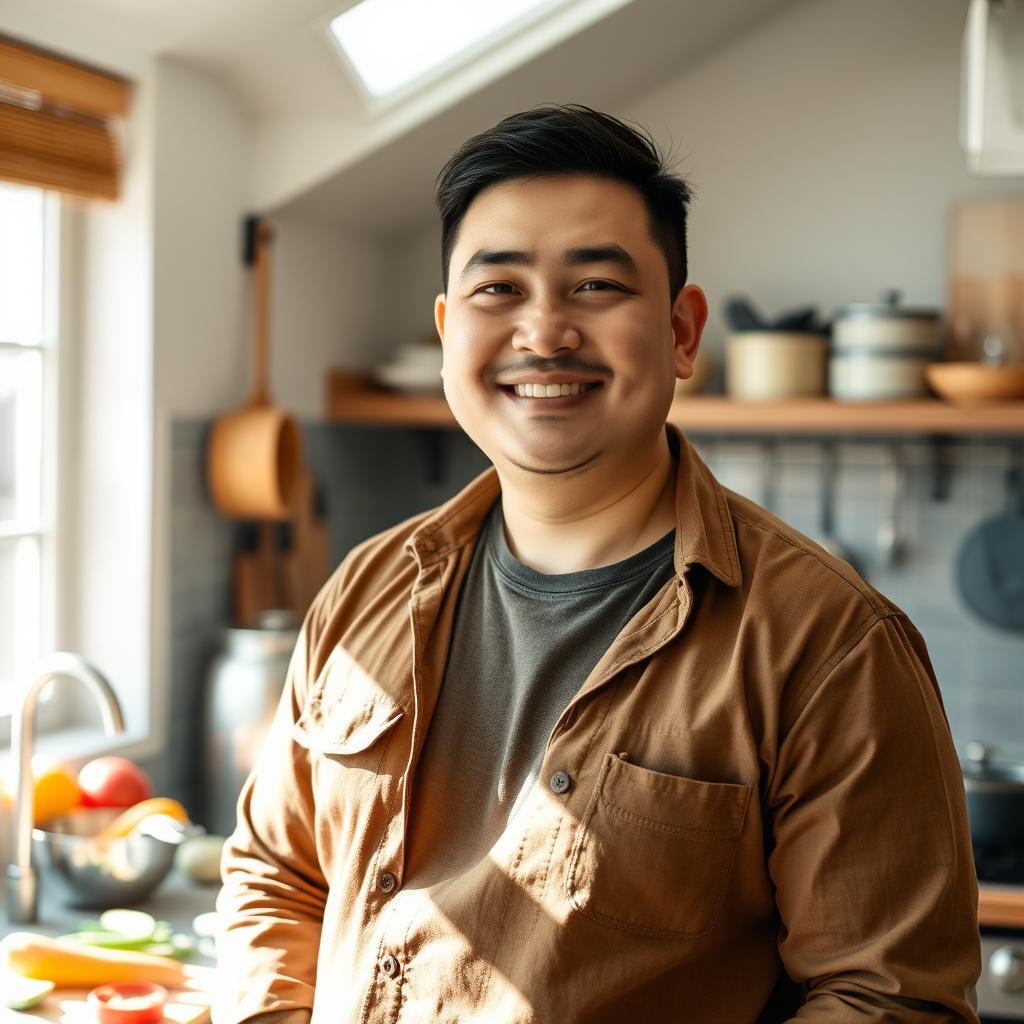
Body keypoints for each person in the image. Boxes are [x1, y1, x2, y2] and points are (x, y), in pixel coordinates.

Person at [215, 104, 981, 1023]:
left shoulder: (829, 646)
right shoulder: (365, 588)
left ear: (682, 332)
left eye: (596, 287)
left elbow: (888, 1000)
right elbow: (276, 872)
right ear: (449, 329)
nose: (544, 333)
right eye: (499, 289)